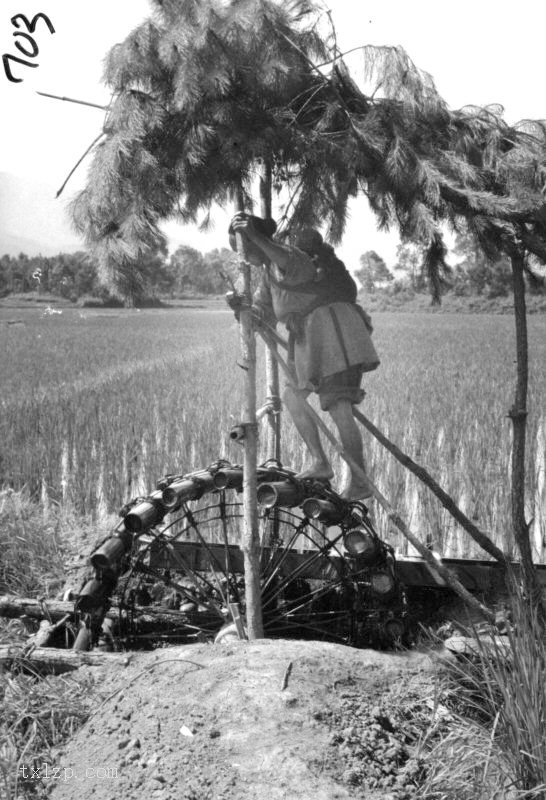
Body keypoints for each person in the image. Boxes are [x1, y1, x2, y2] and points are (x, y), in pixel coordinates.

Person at [228, 212, 380, 501]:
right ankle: (320, 462)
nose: (243, 256)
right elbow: (261, 319)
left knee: (338, 406)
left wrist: (255, 235)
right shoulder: (266, 277)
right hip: (308, 341)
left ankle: (359, 481)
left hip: (334, 332)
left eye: (244, 248)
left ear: (256, 242)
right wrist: (239, 308)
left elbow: (281, 256)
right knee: (293, 398)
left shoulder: (291, 257)